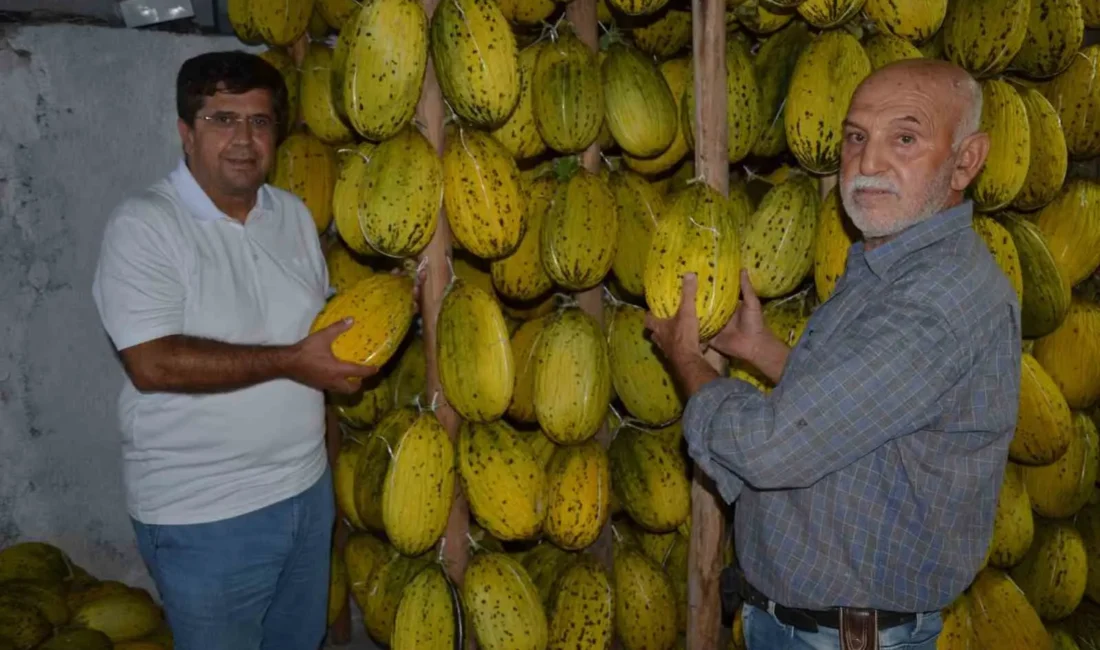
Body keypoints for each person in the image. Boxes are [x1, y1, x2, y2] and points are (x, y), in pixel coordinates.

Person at [645, 59, 1021, 650]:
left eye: (905, 138)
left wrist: (688, 362)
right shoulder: (892, 266)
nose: (868, 164)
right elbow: (868, 414)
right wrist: (766, 352)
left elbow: (771, 449)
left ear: (967, 160)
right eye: (855, 137)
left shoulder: (935, 302)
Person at [91, 51, 386, 650]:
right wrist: (288, 360)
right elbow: (152, 363)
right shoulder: (145, 225)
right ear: (186, 131)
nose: (244, 140)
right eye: (223, 120)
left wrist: (324, 486)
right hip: (205, 516)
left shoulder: (295, 216)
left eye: (259, 122)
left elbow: (317, 357)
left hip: (303, 497)